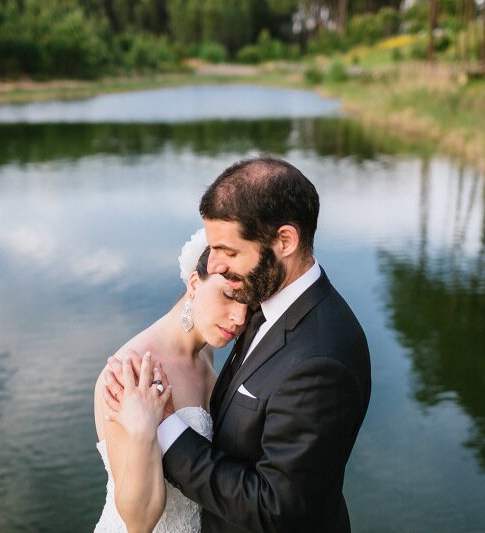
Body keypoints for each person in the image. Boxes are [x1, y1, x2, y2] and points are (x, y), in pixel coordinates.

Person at [103, 156, 372, 532]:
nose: (212, 265)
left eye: (228, 252)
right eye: (212, 249)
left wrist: (166, 427)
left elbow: (275, 508)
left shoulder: (320, 357)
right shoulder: (264, 301)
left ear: (285, 240)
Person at [92, 230, 247, 533]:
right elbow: (139, 522)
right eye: (229, 295)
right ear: (194, 284)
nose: (239, 318)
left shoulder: (205, 357)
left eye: (249, 305)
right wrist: (142, 430)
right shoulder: (132, 372)